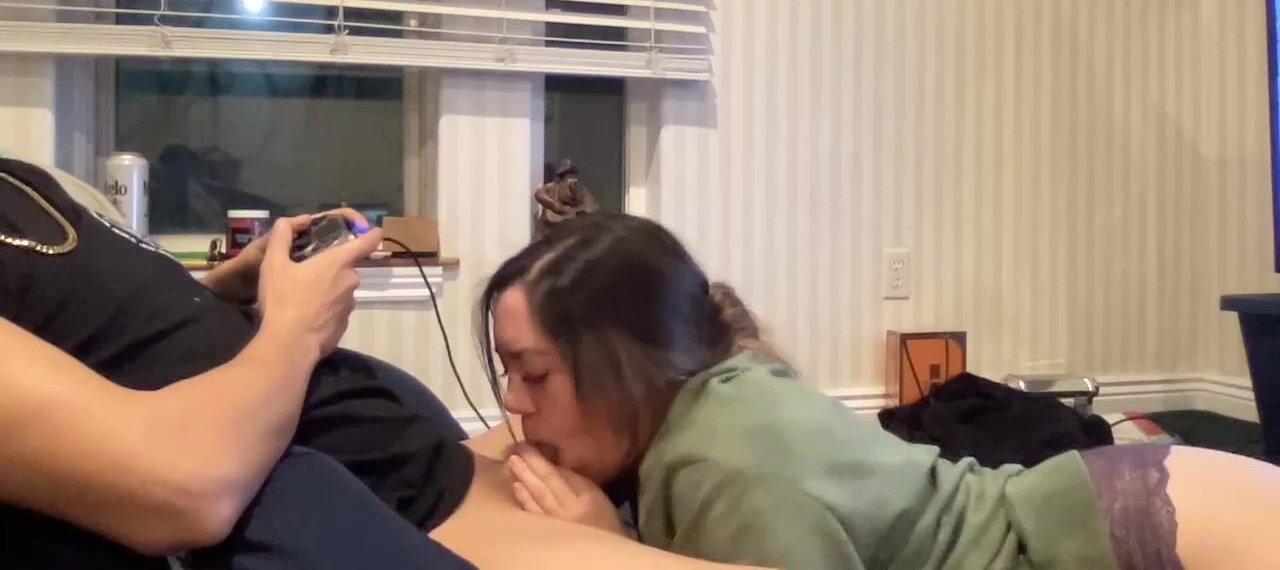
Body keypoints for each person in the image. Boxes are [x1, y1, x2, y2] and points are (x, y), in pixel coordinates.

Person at [0, 157, 760, 570]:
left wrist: (225, 292)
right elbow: (181, 488)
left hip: (416, 453)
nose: (514, 396)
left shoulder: (23, 183)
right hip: (396, 500)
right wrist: (295, 327)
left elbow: (116, 337)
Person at [482, 212, 1280, 570]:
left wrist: (610, 555)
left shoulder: (726, 473)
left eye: (535, 372)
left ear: (632, 363)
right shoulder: (712, 389)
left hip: (1161, 535)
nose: (514, 402)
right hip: (1141, 498)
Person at [533, 159, 598, 237]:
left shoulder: (582, 193)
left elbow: (591, 208)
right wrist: (555, 206)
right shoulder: (554, 187)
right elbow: (539, 194)